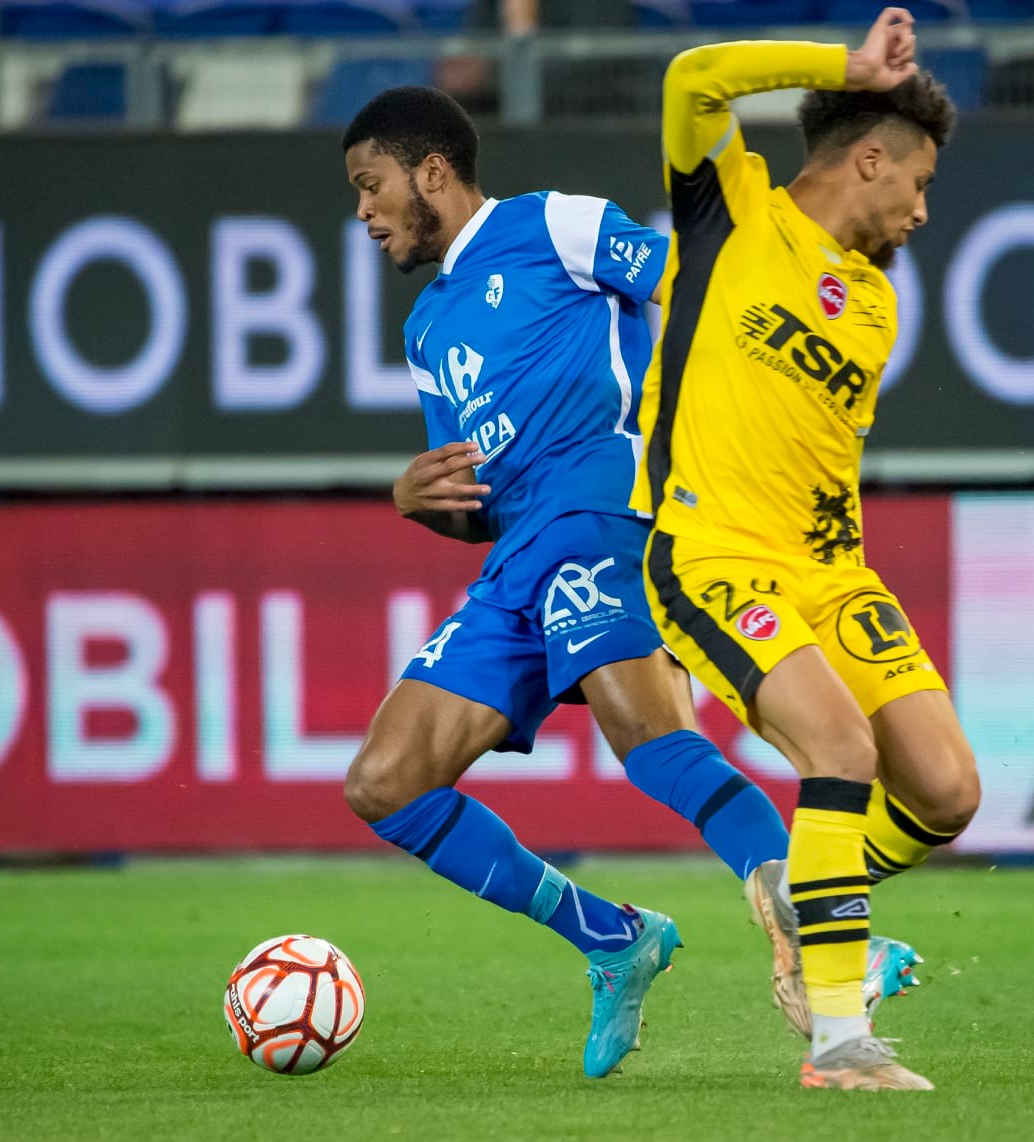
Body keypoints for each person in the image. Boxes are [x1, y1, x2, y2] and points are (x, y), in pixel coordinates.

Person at [338, 86, 919, 1079]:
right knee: (385, 783)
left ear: (431, 170)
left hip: (612, 503)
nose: (365, 210)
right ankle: (614, 939)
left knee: (650, 736)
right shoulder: (427, 329)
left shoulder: (549, 226)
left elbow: (702, 292)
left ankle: (826, 936)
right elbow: (468, 490)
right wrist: (412, 495)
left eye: (372, 184)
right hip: (516, 553)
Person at [636, 9, 980, 1092]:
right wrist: (847, 67)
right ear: (868, 156)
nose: (923, 211)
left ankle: (808, 895)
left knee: (947, 791)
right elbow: (696, 75)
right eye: (917, 183)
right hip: (707, 550)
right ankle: (841, 1039)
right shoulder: (729, 214)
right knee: (839, 754)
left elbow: (816, 462)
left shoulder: (872, 302)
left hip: (830, 569)